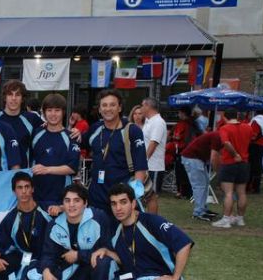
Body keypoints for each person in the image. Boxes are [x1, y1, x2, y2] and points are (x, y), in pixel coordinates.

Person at [92, 183, 208, 280]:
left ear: (133, 203)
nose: (118, 208)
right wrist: (107, 252)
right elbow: (127, 258)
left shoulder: (151, 221)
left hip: (160, 277)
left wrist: (174, 276)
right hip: (136, 278)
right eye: (114, 203)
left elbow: (184, 244)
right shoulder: (118, 232)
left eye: (123, 202)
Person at [35, 184, 113, 280]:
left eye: (76, 200)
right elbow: (48, 254)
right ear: (62, 204)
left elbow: (110, 251)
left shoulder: (99, 218)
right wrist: (46, 271)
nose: (71, 205)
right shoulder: (54, 225)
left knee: (102, 260)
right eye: (67, 200)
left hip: (99, 268)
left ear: (85, 203)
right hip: (76, 270)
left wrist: (79, 255)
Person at [0, 172, 51, 280]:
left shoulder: (47, 210)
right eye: (20, 188)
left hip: (44, 258)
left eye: (27, 187)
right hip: (23, 258)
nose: (24, 191)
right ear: (14, 191)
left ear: (33, 189)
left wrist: (62, 208)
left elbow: (71, 210)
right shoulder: (11, 218)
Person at [81, 89, 148, 219]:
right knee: (99, 236)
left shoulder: (132, 131)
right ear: (99, 109)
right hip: (96, 197)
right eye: (104, 105)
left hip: (121, 197)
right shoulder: (95, 128)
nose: (108, 109)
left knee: (123, 237)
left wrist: (133, 196)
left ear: (119, 108)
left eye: (112, 105)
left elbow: (141, 167)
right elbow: (78, 144)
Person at [30, 93, 80, 215]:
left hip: (61, 200)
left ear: (63, 112)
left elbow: (72, 168)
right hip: (36, 198)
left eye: (57, 110)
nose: (53, 114)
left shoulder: (71, 136)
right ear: (44, 112)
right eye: (49, 110)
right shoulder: (36, 133)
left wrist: (46, 169)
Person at [211, 110, 253, 228]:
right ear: (237, 115)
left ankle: (226, 219)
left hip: (230, 163)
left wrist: (235, 154)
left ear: (224, 117)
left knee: (228, 193)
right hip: (244, 163)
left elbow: (226, 143)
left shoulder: (225, 128)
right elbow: (250, 139)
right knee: (242, 192)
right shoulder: (247, 128)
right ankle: (240, 219)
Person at [0, 80, 43, 168]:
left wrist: (75, 131)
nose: (13, 98)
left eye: (17, 95)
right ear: (5, 97)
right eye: (10, 94)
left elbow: (52, 130)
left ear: (22, 99)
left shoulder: (32, 119)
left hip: (23, 175)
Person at [180, 131, 222, 221]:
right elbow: (214, 157)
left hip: (197, 158)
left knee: (205, 184)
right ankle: (198, 212)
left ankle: (203, 208)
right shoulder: (217, 137)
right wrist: (218, 172)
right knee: (199, 186)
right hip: (192, 158)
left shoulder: (218, 135)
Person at [141, 97, 167, 214]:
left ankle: (153, 222)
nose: (141, 109)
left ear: (148, 106)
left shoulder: (158, 122)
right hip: (146, 166)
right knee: (143, 195)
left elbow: (153, 142)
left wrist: (143, 160)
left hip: (154, 166)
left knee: (152, 196)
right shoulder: (149, 121)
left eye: (142, 106)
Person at [172, 108, 200, 199]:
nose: (178, 114)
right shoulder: (194, 123)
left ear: (183, 113)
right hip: (191, 152)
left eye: (179, 112)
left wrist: (174, 137)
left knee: (181, 172)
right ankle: (188, 192)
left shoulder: (182, 124)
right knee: (188, 173)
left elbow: (177, 136)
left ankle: (182, 192)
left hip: (182, 151)